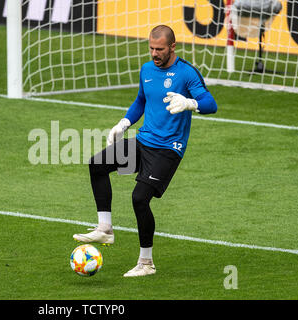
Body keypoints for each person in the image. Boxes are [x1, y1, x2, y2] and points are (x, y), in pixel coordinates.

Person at [73, 25, 218, 277]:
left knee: (140, 199)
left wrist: (190, 103)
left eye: (159, 49)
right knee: (97, 165)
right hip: (144, 142)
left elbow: (211, 104)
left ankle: (146, 263)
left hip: (168, 150)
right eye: (151, 48)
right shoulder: (147, 69)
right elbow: (142, 100)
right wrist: (124, 122)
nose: (154, 53)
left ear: (172, 47)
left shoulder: (187, 73)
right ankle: (105, 228)